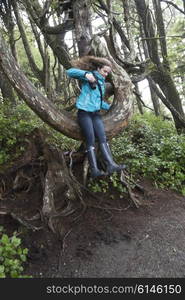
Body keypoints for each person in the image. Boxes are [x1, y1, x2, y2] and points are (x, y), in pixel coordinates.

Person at [66, 56, 125, 178]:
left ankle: (111, 165)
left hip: (96, 114)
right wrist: (86, 74)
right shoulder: (89, 76)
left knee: (103, 138)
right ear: (98, 69)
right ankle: (94, 170)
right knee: (90, 139)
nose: (106, 74)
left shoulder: (102, 84)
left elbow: (99, 101)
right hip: (84, 113)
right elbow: (69, 72)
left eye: (107, 73)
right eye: (104, 71)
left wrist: (112, 107)